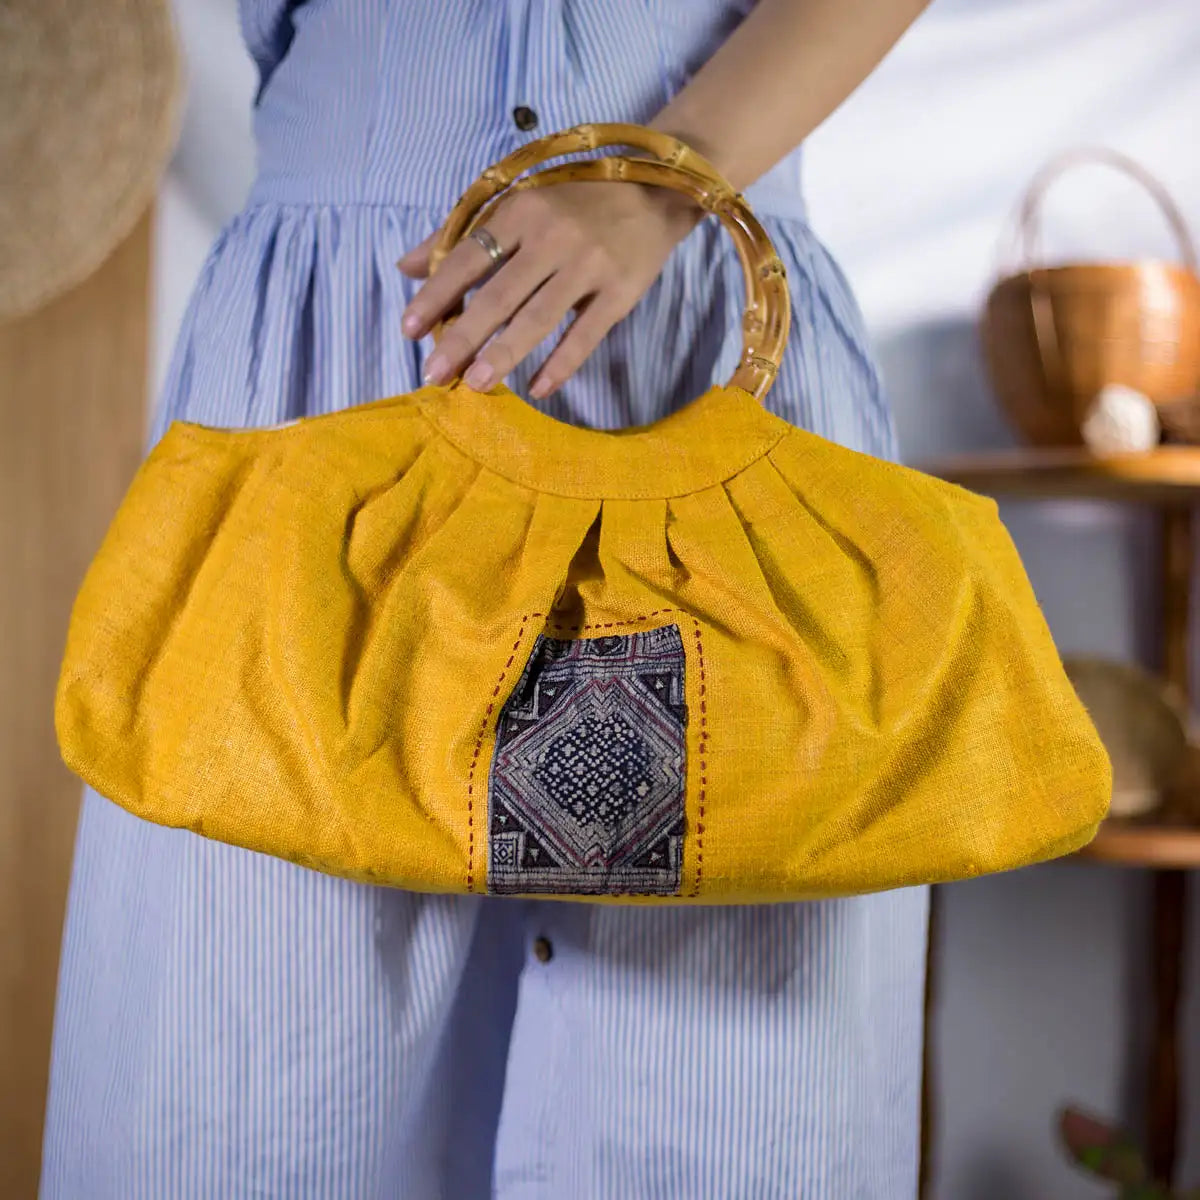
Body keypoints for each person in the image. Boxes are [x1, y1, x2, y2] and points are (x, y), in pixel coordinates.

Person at [41, 1, 933, 1196]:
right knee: (245, 1083)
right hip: (337, 362)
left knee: (715, 1110)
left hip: (706, 340)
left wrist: (671, 176)